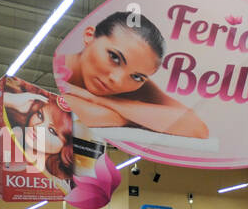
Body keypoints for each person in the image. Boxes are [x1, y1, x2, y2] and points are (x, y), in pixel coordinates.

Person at [55, 10, 208, 138]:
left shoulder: (139, 87)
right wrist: (139, 116)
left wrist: (103, 102)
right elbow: (83, 114)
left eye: (136, 77)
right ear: (89, 35)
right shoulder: (57, 72)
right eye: (114, 57)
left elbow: (197, 128)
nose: (116, 79)